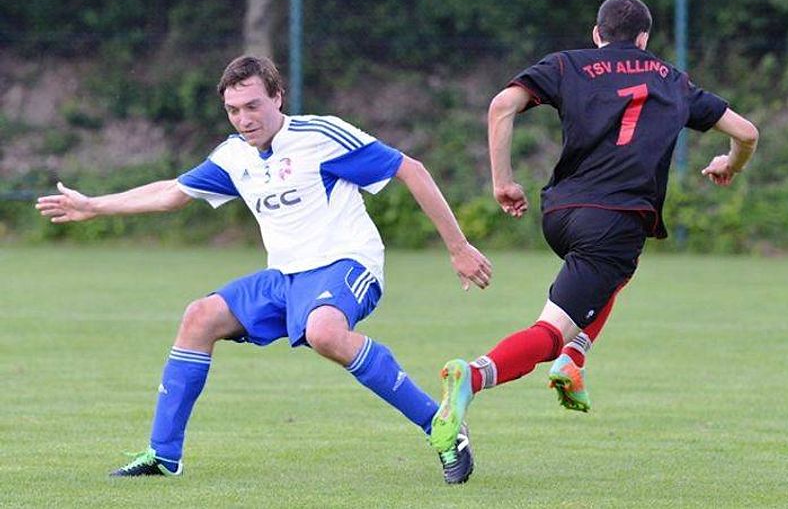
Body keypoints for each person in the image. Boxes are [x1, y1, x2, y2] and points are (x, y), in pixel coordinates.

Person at [36, 55, 490, 484]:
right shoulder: (234, 156)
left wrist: (458, 246)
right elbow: (172, 192)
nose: (243, 118)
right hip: (285, 278)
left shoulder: (321, 136)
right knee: (199, 317)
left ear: (277, 97)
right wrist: (94, 206)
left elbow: (411, 169)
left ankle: (440, 424)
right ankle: (163, 454)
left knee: (325, 332)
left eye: (252, 105)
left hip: (346, 264)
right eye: (233, 110)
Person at [428, 0, 759, 462]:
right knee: (551, 332)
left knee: (614, 274)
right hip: (617, 220)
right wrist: (731, 163)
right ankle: (475, 375)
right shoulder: (674, 81)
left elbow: (502, 106)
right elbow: (747, 133)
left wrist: (503, 182)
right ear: (645, 39)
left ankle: (575, 360)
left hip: (559, 214)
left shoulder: (569, 64)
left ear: (597, 34)